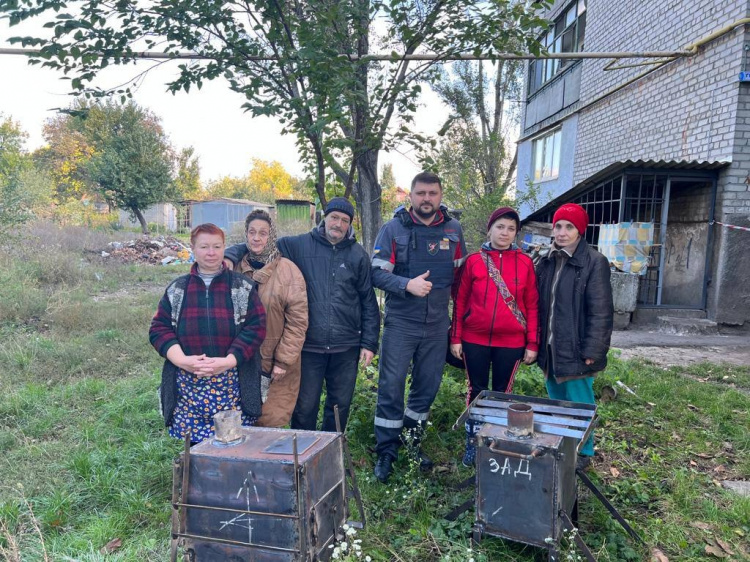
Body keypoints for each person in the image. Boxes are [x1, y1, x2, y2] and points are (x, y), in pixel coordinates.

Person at [224, 197, 380, 433]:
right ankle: (305, 457)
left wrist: (369, 342)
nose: (338, 223)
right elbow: (257, 243)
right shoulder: (298, 245)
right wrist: (229, 254)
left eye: (344, 220)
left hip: (346, 345)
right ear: (324, 218)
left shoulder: (358, 255)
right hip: (310, 346)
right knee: (305, 406)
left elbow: (368, 300)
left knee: (340, 406)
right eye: (334, 217)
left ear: (350, 224)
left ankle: (332, 451)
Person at [370, 171, 467, 483]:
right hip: (402, 323)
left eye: (432, 193)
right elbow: (375, 273)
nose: (427, 198)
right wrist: (405, 284)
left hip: (438, 325)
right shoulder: (393, 229)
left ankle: (412, 442)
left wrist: (460, 326)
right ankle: (386, 450)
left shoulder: (453, 230)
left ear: (440, 196)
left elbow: (461, 281)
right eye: (421, 193)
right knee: (391, 385)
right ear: (411, 196)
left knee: (426, 387)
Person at [149, 223, 266, 444]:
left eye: (217, 246)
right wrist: (182, 360)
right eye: (204, 247)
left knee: (233, 444)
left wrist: (228, 361)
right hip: (189, 384)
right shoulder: (177, 289)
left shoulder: (243, 287)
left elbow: (256, 328)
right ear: (193, 248)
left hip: (232, 382)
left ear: (224, 248)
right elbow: (159, 329)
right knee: (195, 450)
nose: (211, 253)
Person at [450, 206, 540, 467]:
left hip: (511, 342)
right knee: (476, 391)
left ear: (516, 234)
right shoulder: (475, 261)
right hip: (474, 338)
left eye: (511, 228)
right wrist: (456, 337)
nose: (505, 232)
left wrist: (532, 343)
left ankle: (497, 441)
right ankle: (473, 440)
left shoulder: (525, 263)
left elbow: (533, 305)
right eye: (500, 226)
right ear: (489, 229)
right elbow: (460, 300)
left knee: (503, 394)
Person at [537, 203, 613, 470]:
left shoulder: (594, 262)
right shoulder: (546, 260)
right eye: (558, 226)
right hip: (550, 347)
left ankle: (584, 451)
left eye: (569, 227)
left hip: (577, 348)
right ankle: (562, 443)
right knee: (556, 398)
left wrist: (594, 349)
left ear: (580, 231)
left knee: (579, 401)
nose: (562, 232)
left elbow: (601, 311)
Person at [236, 209, 308, 427]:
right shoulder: (235, 268)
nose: (256, 238)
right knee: (241, 421)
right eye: (252, 232)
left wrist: (283, 360)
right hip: (241, 361)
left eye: (263, 233)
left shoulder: (288, 271)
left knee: (270, 421)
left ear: (272, 236)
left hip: (276, 365)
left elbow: (298, 321)